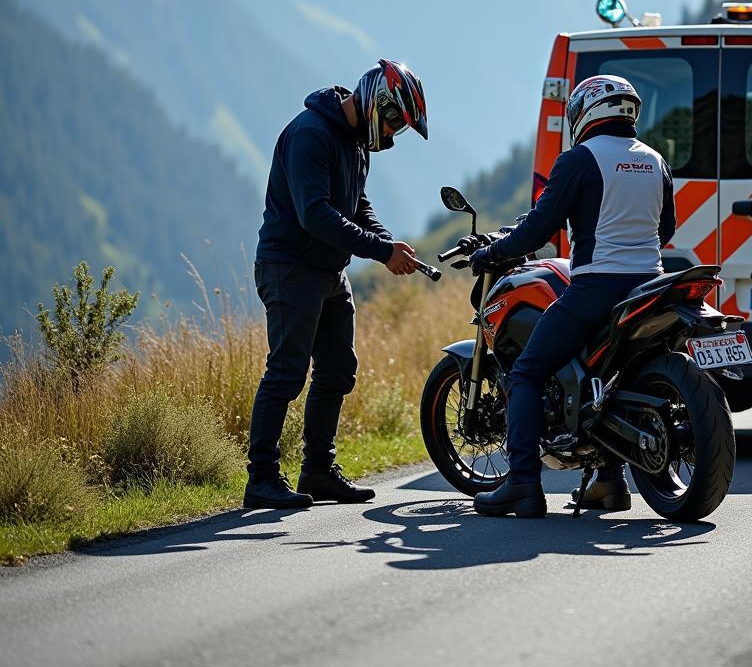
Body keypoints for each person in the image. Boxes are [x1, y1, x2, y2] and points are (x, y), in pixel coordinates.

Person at [470, 74, 675, 518]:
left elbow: (539, 229)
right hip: (650, 285)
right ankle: (610, 481)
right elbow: (665, 230)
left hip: (596, 288)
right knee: (612, 379)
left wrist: (493, 252)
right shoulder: (656, 161)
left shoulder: (579, 160)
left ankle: (522, 484)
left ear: (585, 113)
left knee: (526, 373)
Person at [243, 60, 428, 510]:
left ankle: (318, 471)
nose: (391, 136)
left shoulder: (353, 142)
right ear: (373, 105)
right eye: (393, 123)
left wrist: (386, 242)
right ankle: (261, 479)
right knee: (286, 373)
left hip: (328, 272)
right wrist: (380, 252)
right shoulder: (311, 134)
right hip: (290, 269)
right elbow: (316, 214)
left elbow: (357, 203)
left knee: (337, 371)